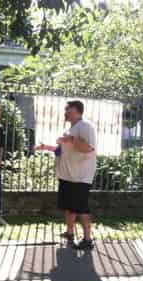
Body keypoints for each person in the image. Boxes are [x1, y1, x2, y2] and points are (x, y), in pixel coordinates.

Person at [55, 100, 97, 251]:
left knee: (81, 208)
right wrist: (49, 147)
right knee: (69, 207)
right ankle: (70, 233)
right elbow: (64, 150)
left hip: (80, 176)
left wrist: (72, 140)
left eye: (69, 110)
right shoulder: (70, 129)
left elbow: (89, 148)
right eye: (66, 109)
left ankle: (87, 240)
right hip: (68, 175)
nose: (66, 112)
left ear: (78, 111)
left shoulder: (85, 126)